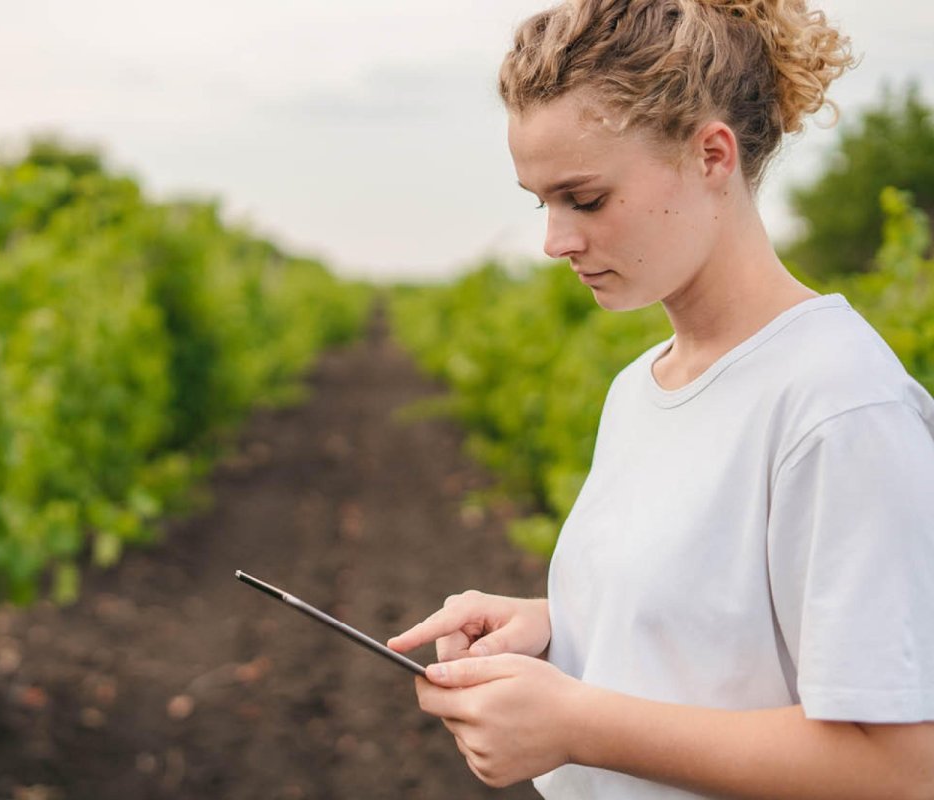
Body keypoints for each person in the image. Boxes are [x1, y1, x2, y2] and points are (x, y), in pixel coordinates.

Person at [386, 1, 934, 797]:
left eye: (586, 198)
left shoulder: (838, 407)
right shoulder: (641, 388)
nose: (556, 241)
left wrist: (575, 725)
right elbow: (726, 636)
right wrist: (557, 627)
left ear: (712, 155)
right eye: (542, 202)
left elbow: (902, 766)